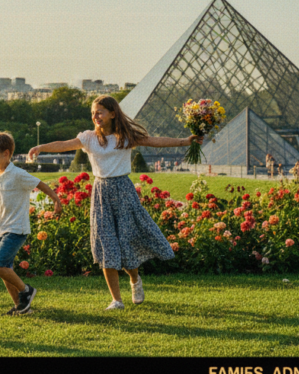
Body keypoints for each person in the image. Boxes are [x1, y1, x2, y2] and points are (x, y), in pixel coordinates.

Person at [28, 95, 201, 311]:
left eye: (99, 112)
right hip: (100, 192)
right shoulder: (88, 138)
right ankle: (116, 300)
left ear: (112, 113)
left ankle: (135, 280)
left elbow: (154, 141)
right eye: (93, 112)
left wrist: (185, 141)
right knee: (106, 243)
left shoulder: (125, 136)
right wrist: (41, 147)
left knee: (126, 241)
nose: (95, 116)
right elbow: (63, 145)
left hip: (124, 191)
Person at [0, 132, 62, 315]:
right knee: (5, 270)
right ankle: (22, 307)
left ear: (6, 153)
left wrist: (56, 199)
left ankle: (27, 291)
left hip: (17, 229)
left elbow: (40, 184)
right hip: (2, 229)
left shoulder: (18, 174)